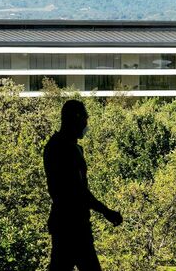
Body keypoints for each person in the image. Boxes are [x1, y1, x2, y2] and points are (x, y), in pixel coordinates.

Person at [44, 100, 123, 270]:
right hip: (72, 224)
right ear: (76, 118)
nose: (86, 123)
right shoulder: (64, 149)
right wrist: (106, 211)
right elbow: (78, 191)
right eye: (85, 118)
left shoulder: (60, 146)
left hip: (66, 221)